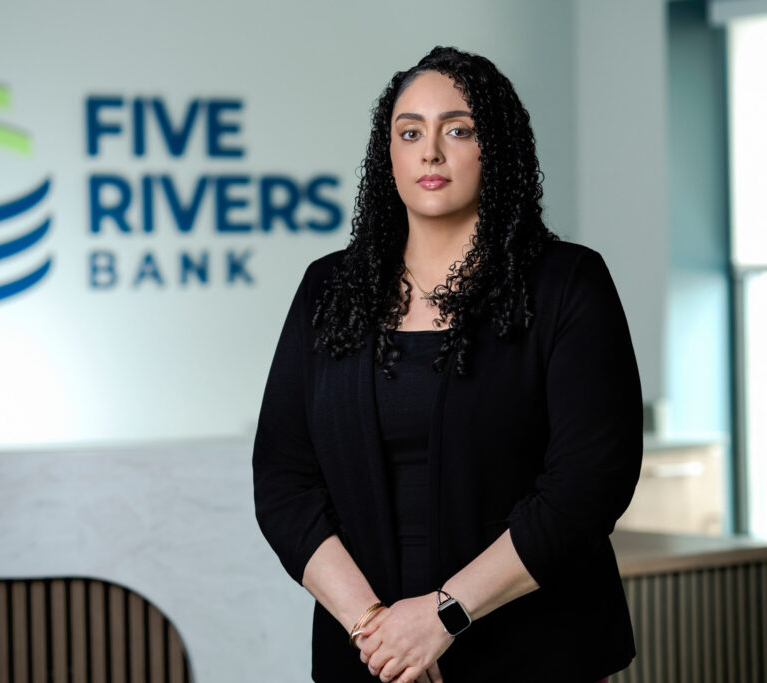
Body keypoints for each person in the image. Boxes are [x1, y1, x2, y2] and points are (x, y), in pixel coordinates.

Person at [252, 46, 642, 683]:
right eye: (410, 133)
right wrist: (377, 629)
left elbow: (588, 485)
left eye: (458, 129)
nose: (430, 152)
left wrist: (441, 617)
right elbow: (283, 482)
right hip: (370, 658)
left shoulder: (566, 283)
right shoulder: (328, 289)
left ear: (498, 150)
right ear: (390, 155)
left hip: (536, 650)